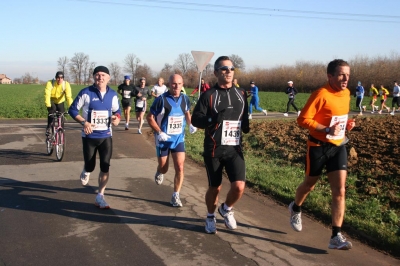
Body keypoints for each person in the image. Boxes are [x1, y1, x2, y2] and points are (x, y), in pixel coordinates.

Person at [289, 59, 355, 250]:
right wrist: (326, 129)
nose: (346, 78)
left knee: (340, 190)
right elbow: (303, 119)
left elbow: (339, 117)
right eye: (341, 74)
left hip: (338, 146)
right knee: (309, 185)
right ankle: (295, 207)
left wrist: (347, 124)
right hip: (317, 146)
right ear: (330, 76)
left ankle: (336, 236)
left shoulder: (347, 93)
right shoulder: (321, 94)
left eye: (348, 75)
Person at [191, 56, 250, 234]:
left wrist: (245, 127)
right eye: (224, 69)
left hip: (234, 148)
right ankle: (210, 216)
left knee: (239, 186)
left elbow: (244, 116)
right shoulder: (208, 95)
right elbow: (195, 119)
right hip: (214, 148)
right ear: (216, 72)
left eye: (231, 69)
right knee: (215, 187)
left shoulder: (241, 94)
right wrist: (213, 119)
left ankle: (226, 208)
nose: (228, 72)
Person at [68, 66, 121, 209]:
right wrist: (84, 122)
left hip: (106, 136)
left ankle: (100, 196)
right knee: (90, 166)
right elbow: (72, 110)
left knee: (105, 166)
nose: (100, 77)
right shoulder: (86, 93)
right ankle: (86, 170)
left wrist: (117, 119)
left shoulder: (113, 95)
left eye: (103, 75)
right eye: (97, 75)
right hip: (89, 137)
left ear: (108, 78)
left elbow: (117, 112)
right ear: (93, 77)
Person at [146, 74, 197, 207]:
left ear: (182, 85)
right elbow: (150, 117)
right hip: (163, 139)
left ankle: (175, 195)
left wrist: (190, 124)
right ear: (169, 84)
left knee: (180, 167)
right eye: (174, 84)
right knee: (164, 168)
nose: (176, 86)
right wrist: (159, 132)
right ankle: (159, 171)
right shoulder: (161, 100)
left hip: (178, 139)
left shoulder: (185, 99)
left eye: (179, 84)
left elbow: (187, 112)